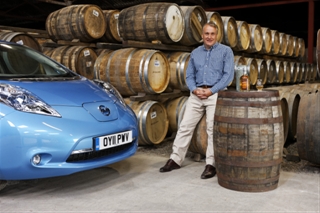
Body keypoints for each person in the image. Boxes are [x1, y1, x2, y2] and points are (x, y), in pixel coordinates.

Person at [159, 22, 234, 179]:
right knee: (185, 126)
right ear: (202, 35)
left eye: (212, 34)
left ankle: (211, 164)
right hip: (197, 93)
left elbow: (228, 76)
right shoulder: (195, 53)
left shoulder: (226, 51)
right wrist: (194, 89)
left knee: (211, 129)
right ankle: (175, 159)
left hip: (215, 93)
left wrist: (211, 91)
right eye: (206, 34)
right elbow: (189, 75)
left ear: (217, 35)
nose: (209, 37)